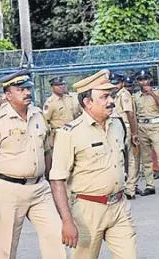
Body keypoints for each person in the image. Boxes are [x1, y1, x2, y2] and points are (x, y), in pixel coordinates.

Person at [0, 69, 66, 259]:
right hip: (7, 190)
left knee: (56, 237)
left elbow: (46, 151)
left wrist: (54, 184)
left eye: (28, 88)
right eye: (21, 89)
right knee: (5, 248)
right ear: (8, 95)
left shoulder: (38, 115)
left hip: (40, 189)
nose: (27, 93)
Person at [49, 69, 137, 259]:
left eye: (111, 95)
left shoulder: (117, 124)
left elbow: (124, 158)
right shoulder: (70, 133)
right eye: (104, 97)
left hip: (119, 207)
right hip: (87, 211)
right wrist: (67, 221)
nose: (111, 101)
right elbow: (57, 180)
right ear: (87, 102)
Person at [132, 69, 159, 196]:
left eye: (145, 79)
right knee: (146, 159)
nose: (143, 82)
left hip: (155, 126)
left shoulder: (157, 92)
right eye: (140, 80)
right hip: (142, 127)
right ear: (137, 82)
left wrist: (152, 94)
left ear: (150, 80)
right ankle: (150, 185)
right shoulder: (135, 97)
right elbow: (133, 114)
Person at [111, 72, 139, 199]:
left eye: (116, 83)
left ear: (122, 83)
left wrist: (134, 133)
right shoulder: (115, 95)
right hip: (117, 129)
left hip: (126, 129)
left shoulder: (124, 95)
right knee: (121, 159)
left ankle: (130, 188)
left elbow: (130, 114)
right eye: (112, 83)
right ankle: (125, 186)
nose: (114, 85)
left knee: (131, 159)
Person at [43, 77, 82, 154]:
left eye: (63, 84)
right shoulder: (50, 103)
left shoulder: (71, 98)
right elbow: (45, 122)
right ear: (52, 87)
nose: (61, 87)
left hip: (75, 132)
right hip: (59, 135)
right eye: (58, 85)